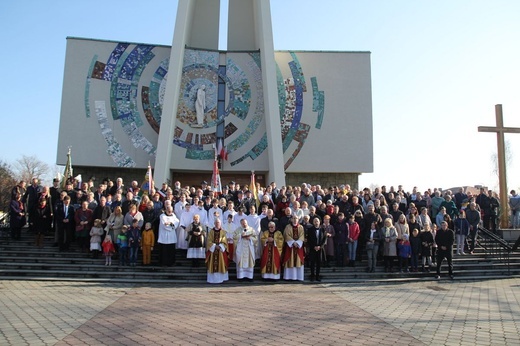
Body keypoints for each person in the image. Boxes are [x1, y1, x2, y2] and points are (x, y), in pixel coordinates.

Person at [206, 218, 229, 284]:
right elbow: (209, 241)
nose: (217, 224)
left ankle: (221, 279)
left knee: (221, 263)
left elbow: (225, 242)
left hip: (220, 251)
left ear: (220, 223)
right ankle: (212, 279)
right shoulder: (211, 232)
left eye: (218, 223)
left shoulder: (223, 232)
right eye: (216, 223)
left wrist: (220, 246)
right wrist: (214, 246)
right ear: (214, 223)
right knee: (212, 264)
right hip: (213, 251)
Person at [282, 215, 305, 281]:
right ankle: (289, 277)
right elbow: (286, 235)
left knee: (298, 260)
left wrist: (297, 242)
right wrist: (292, 242)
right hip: (290, 247)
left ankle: (298, 277)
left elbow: (302, 235)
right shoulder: (288, 227)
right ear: (291, 219)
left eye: (296, 218)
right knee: (290, 259)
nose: (295, 220)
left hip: (298, 247)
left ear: (298, 219)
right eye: (293, 218)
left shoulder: (301, 227)